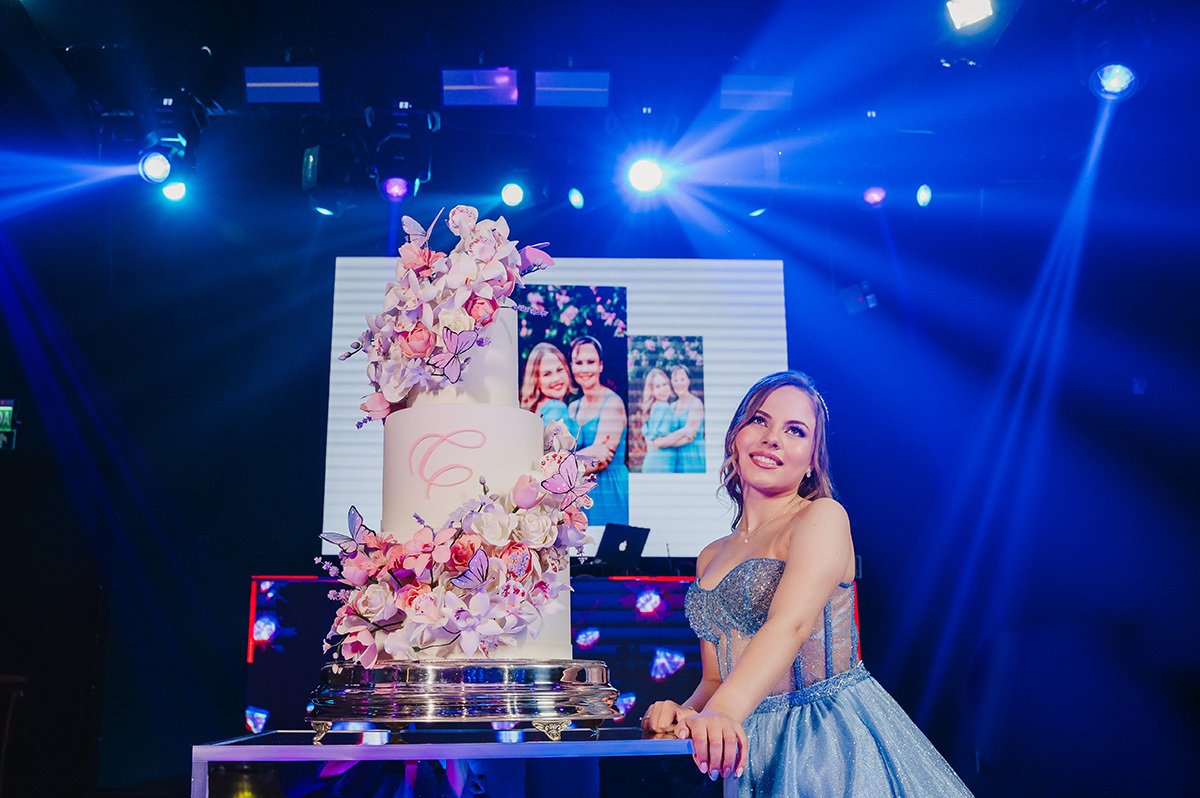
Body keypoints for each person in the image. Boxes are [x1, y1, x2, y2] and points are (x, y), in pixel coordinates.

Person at [641, 371, 972, 797]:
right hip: (748, 742)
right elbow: (716, 682)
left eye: (794, 430)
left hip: (825, 739)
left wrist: (722, 712)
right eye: (760, 421)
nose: (772, 438)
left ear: (813, 459)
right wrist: (682, 715)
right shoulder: (711, 555)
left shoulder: (822, 517)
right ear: (735, 436)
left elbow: (790, 624)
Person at [567, 336, 629, 526]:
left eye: (591, 362)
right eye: (579, 363)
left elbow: (600, 459)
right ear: (572, 366)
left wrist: (559, 468)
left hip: (609, 490)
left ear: (600, 365)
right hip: (581, 491)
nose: (585, 369)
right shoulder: (573, 407)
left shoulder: (612, 403)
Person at [644, 364, 706, 473]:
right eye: (675, 380)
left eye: (682, 379)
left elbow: (689, 437)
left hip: (693, 455)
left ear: (688, 381)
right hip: (675, 457)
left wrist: (659, 444)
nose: (679, 383)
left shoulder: (695, 403)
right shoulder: (672, 406)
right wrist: (657, 443)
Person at [520, 342, 576, 427]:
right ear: (536, 380)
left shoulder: (537, 410)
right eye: (547, 374)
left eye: (560, 369)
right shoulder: (557, 408)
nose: (556, 378)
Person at [640, 368, 681, 473]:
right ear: (652, 390)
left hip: (654, 460)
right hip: (661, 462)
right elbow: (661, 441)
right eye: (658, 387)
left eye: (664, 384)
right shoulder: (663, 406)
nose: (663, 389)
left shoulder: (654, 407)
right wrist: (686, 432)